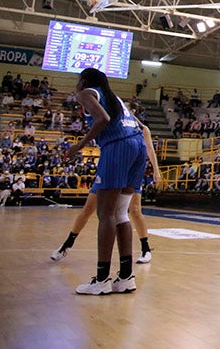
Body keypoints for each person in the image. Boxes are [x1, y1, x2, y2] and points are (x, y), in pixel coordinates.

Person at [63, 68, 148, 295]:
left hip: (118, 147)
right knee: (121, 214)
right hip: (138, 147)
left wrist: (79, 146)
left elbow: (103, 119)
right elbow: (137, 127)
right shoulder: (115, 97)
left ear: (83, 81)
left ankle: (102, 279)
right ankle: (126, 277)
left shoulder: (85, 94)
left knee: (105, 214)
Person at [51, 123, 160, 265]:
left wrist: (156, 171)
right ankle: (67, 244)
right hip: (111, 169)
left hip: (130, 172)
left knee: (134, 210)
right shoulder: (114, 125)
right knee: (88, 209)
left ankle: (146, 249)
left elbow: (150, 150)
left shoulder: (143, 129)